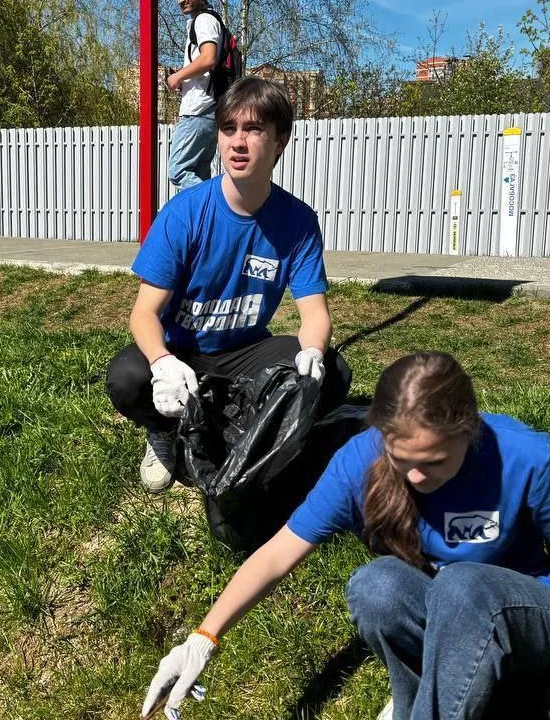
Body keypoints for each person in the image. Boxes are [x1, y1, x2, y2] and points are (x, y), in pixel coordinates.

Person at [140, 352, 550, 720]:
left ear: (469, 430)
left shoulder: (524, 456)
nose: (417, 479)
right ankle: (420, 698)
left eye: (434, 463)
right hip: (448, 615)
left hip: (525, 614)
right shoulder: (360, 460)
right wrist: (203, 637)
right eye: (403, 463)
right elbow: (277, 555)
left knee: (462, 584)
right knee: (374, 586)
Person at [105, 77, 352, 494]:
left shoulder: (297, 221)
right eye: (229, 129)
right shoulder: (184, 213)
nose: (238, 142)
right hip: (183, 349)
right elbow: (143, 313)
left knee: (332, 373)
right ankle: (162, 434)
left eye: (254, 130)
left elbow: (314, 313)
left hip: (243, 351)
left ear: (280, 142)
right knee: (128, 377)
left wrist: (312, 350)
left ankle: (252, 436)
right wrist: (163, 363)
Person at [165, 0, 221, 189]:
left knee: (178, 170)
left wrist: (177, 76)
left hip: (199, 110)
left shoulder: (204, 19)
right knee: (199, 172)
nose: (180, 1)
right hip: (209, 109)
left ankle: (213, 206)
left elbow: (208, 58)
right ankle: (204, 218)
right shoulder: (206, 19)